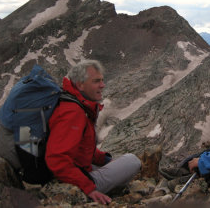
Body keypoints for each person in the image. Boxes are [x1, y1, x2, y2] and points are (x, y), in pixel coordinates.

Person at [45, 60, 141, 204]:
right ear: (80, 84)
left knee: (118, 164)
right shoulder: (73, 112)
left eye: (102, 80)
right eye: (96, 81)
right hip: (68, 180)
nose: (102, 85)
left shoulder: (75, 105)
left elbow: (81, 147)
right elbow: (57, 158)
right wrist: (89, 188)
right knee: (132, 161)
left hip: (76, 170)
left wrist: (105, 160)